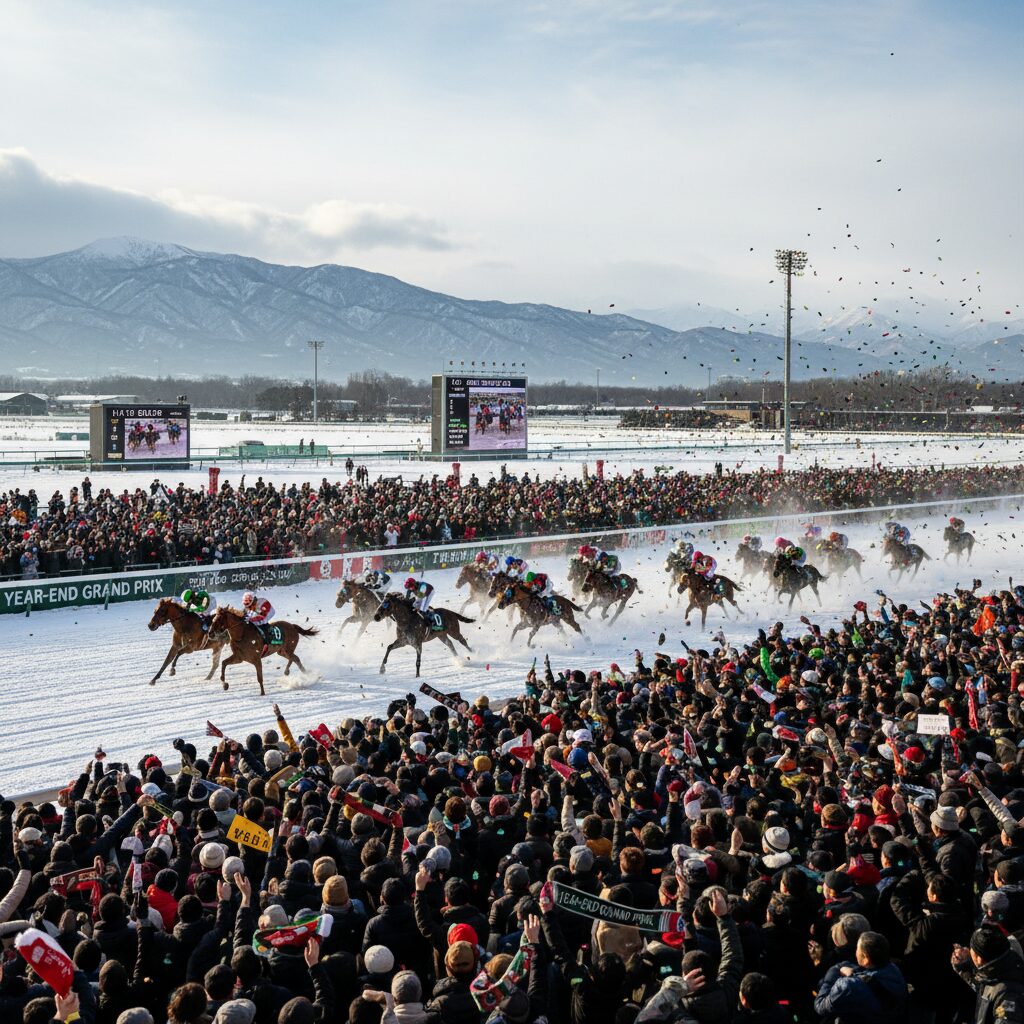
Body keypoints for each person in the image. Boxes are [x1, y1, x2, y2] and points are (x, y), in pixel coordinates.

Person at [814, 931, 908, 1024]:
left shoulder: (848, 986)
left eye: (857, 949)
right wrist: (853, 975)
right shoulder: (894, 969)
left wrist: (833, 972)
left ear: (866, 959)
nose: (856, 951)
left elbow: (820, 1006)